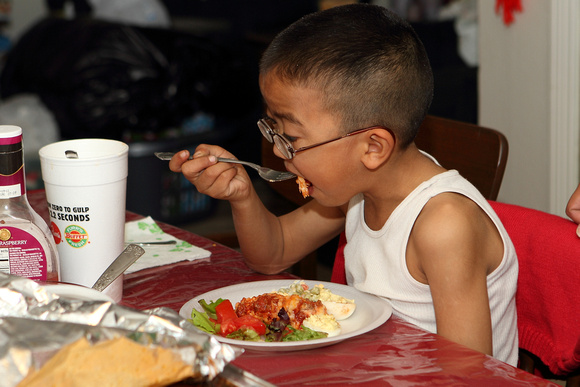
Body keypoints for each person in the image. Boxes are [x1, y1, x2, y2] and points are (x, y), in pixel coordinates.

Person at [169, 4, 518, 366]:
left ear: (372, 148)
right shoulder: (358, 189)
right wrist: (242, 197)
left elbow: (467, 372)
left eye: (290, 137)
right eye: (272, 128)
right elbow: (274, 255)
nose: (276, 149)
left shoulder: (443, 224)